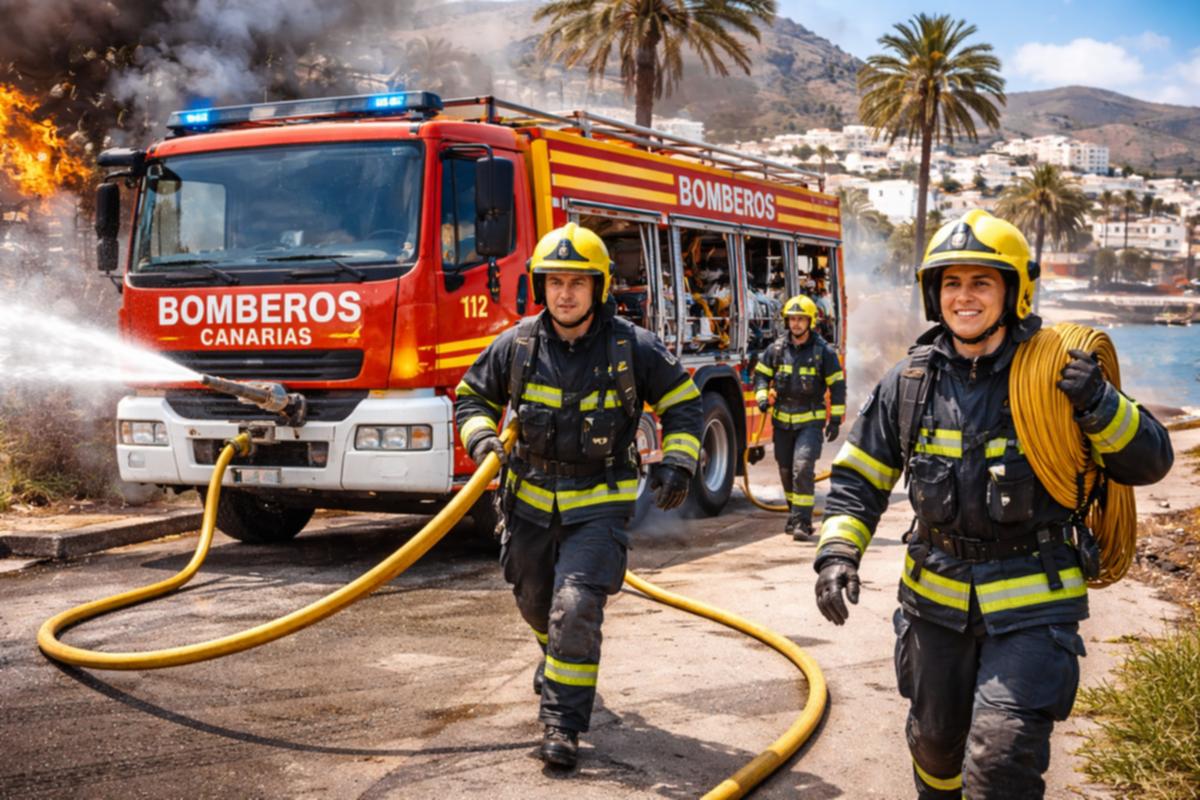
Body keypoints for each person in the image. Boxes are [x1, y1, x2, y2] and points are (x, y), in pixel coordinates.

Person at [812, 210, 1174, 799]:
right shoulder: (909, 383)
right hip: (934, 604)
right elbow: (858, 480)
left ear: (1014, 291)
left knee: (1000, 760)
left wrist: (1099, 404)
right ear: (935, 294)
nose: (965, 297)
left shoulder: (1062, 376)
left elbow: (1152, 461)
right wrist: (836, 555)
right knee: (933, 748)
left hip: (1034, 606)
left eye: (982, 282)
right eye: (952, 282)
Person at [454, 222, 703, 769]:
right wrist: (481, 438)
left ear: (600, 288)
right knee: (535, 601)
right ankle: (558, 655)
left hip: (597, 503)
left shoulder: (631, 347)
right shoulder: (516, 345)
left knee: (575, 607)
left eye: (578, 282)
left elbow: (685, 403)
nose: (565, 293)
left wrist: (680, 460)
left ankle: (562, 724)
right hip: (529, 502)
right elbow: (470, 397)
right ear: (540, 287)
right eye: (555, 281)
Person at [754, 294, 846, 540]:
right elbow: (761, 375)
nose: (795, 324)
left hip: (810, 422)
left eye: (800, 319)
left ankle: (803, 524)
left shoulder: (823, 352)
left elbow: (837, 386)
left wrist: (835, 419)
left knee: (802, 468)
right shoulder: (776, 349)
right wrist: (762, 396)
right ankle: (795, 514)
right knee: (786, 472)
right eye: (792, 319)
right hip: (782, 421)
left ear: (811, 321)